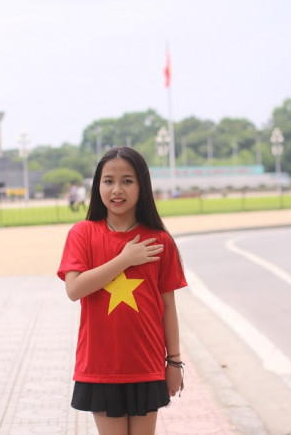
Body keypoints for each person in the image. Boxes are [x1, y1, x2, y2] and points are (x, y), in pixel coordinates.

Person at [57, 146, 187, 435]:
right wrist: (124, 259)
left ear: (142, 186)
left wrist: (174, 362)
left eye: (127, 181)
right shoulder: (83, 233)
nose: (117, 190)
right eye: (108, 181)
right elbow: (74, 289)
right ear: (97, 186)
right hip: (100, 367)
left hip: (146, 364)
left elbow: (168, 306)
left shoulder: (159, 241)